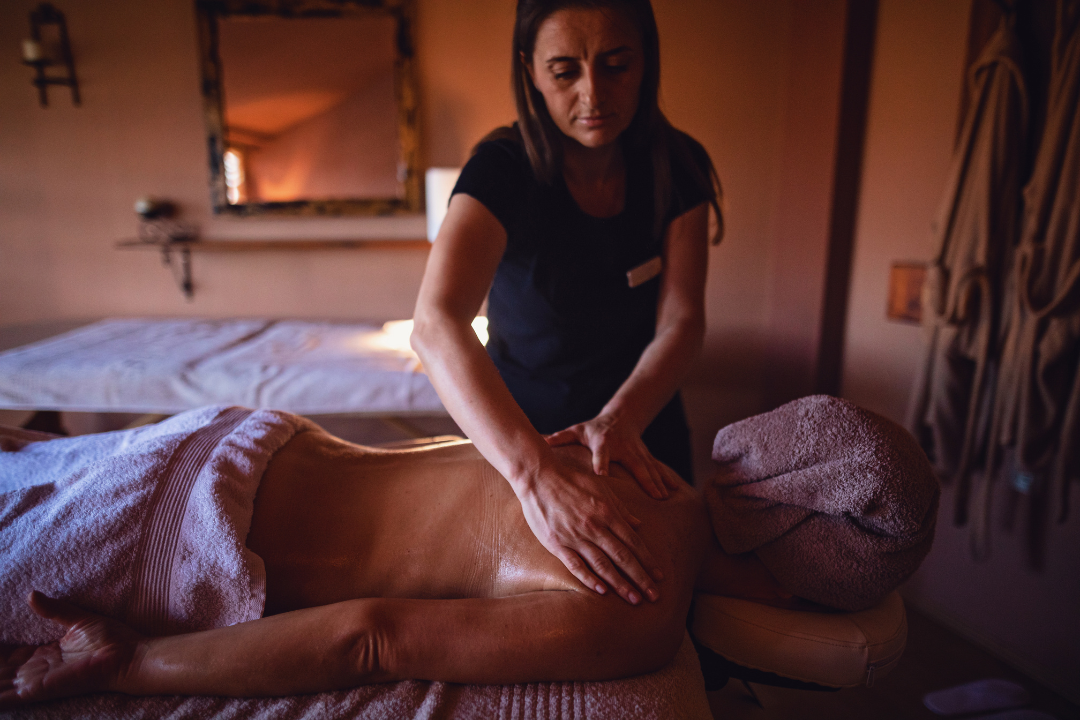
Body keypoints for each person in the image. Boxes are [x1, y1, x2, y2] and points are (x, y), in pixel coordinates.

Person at [0, 409, 787, 707]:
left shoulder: (618, 449)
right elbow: (372, 637)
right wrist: (133, 664)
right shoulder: (639, 603)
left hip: (237, 440)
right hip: (176, 540)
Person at [410, 0, 723, 609]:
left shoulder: (678, 165)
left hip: (641, 428)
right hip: (528, 440)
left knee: (671, 612)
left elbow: (682, 319)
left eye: (616, 65)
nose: (593, 93)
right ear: (530, 70)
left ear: (646, 61)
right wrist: (535, 476)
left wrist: (622, 419)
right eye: (565, 71)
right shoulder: (501, 170)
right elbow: (435, 324)